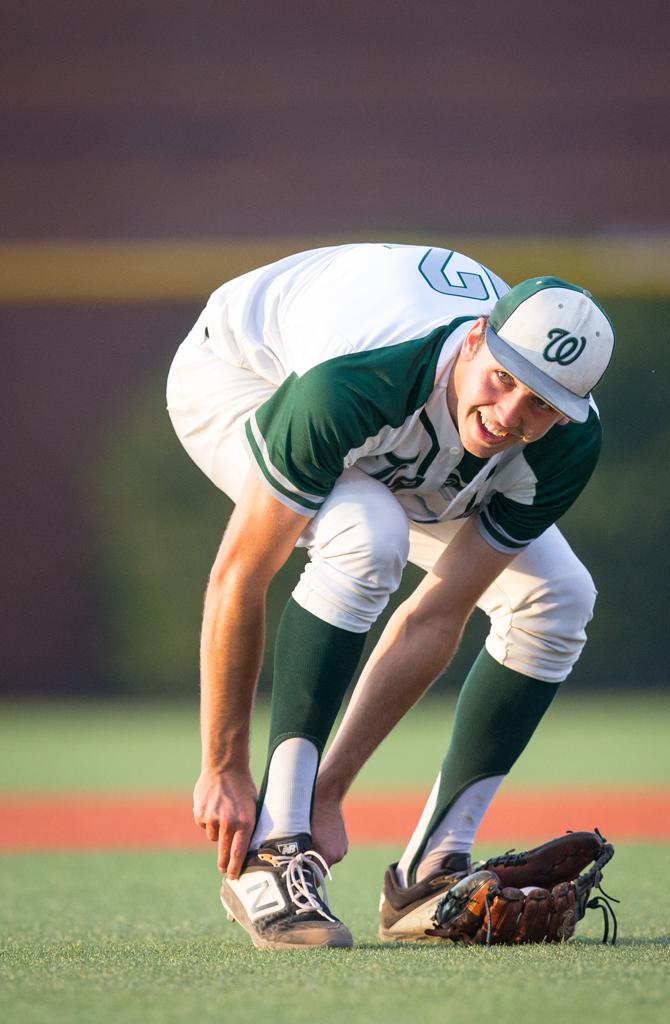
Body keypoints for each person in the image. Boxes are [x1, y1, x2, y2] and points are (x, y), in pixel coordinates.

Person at [166, 242, 615, 949]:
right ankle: (272, 852)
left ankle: (429, 872)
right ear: (474, 341)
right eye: (503, 378)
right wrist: (222, 766)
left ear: (571, 412)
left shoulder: (564, 445)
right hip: (244, 374)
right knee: (368, 533)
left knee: (558, 596)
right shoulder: (353, 381)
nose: (509, 414)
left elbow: (436, 613)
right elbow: (238, 576)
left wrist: (334, 787)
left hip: (406, 431)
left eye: (542, 404)